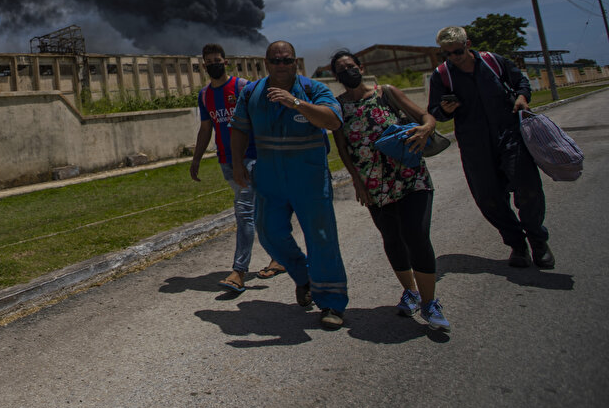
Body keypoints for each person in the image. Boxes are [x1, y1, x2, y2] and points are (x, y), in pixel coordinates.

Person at [230, 40, 349, 328]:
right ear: (266, 63)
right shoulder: (252, 92)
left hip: (309, 177)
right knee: (269, 233)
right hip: (269, 176)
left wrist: (294, 102)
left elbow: (334, 121)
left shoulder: (313, 89)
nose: (281, 65)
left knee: (321, 237)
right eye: (276, 60)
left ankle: (331, 302)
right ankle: (304, 275)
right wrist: (237, 164)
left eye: (287, 60)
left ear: (295, 62)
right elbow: (239, 128)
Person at [330, 50, 449, 331]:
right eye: (341, 70)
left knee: (416, 236)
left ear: (361, 67)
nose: (348, 72)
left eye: (351, 66)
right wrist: (357, 182)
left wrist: (426, 129)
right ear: (336, 77)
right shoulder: (339, 107)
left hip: (410, 177)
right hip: (373, 184)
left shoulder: (386, 93)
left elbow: (425, 116)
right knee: (392, 238)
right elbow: (343, 149)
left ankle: (430, 303)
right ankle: (411, 292)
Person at [427, 26, 552, 269]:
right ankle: (517, 244)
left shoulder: (494, 62)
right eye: (447, 53)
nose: (453, 57)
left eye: (457, 51)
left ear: (468, 44)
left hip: (510, 136)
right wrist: (444, 110)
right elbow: (435, 111)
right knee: (488, 198)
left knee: (528, 189)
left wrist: (522, 97)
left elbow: (521, 82)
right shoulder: (442, 75)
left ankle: (538, 240)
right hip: (475, 145)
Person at [189, 43, 284, 293]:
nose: (214, 65)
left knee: (244, 211)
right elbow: (206, 128)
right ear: (204, 66)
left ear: (226, 62)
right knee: (257, 212)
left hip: (251, 157)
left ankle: (239, 271)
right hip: (226, 160)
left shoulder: (243, 87)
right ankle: (279, 256)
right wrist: (196, 158)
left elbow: (262, 117)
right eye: (209, 62)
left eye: (217, 60)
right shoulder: (205, 95)